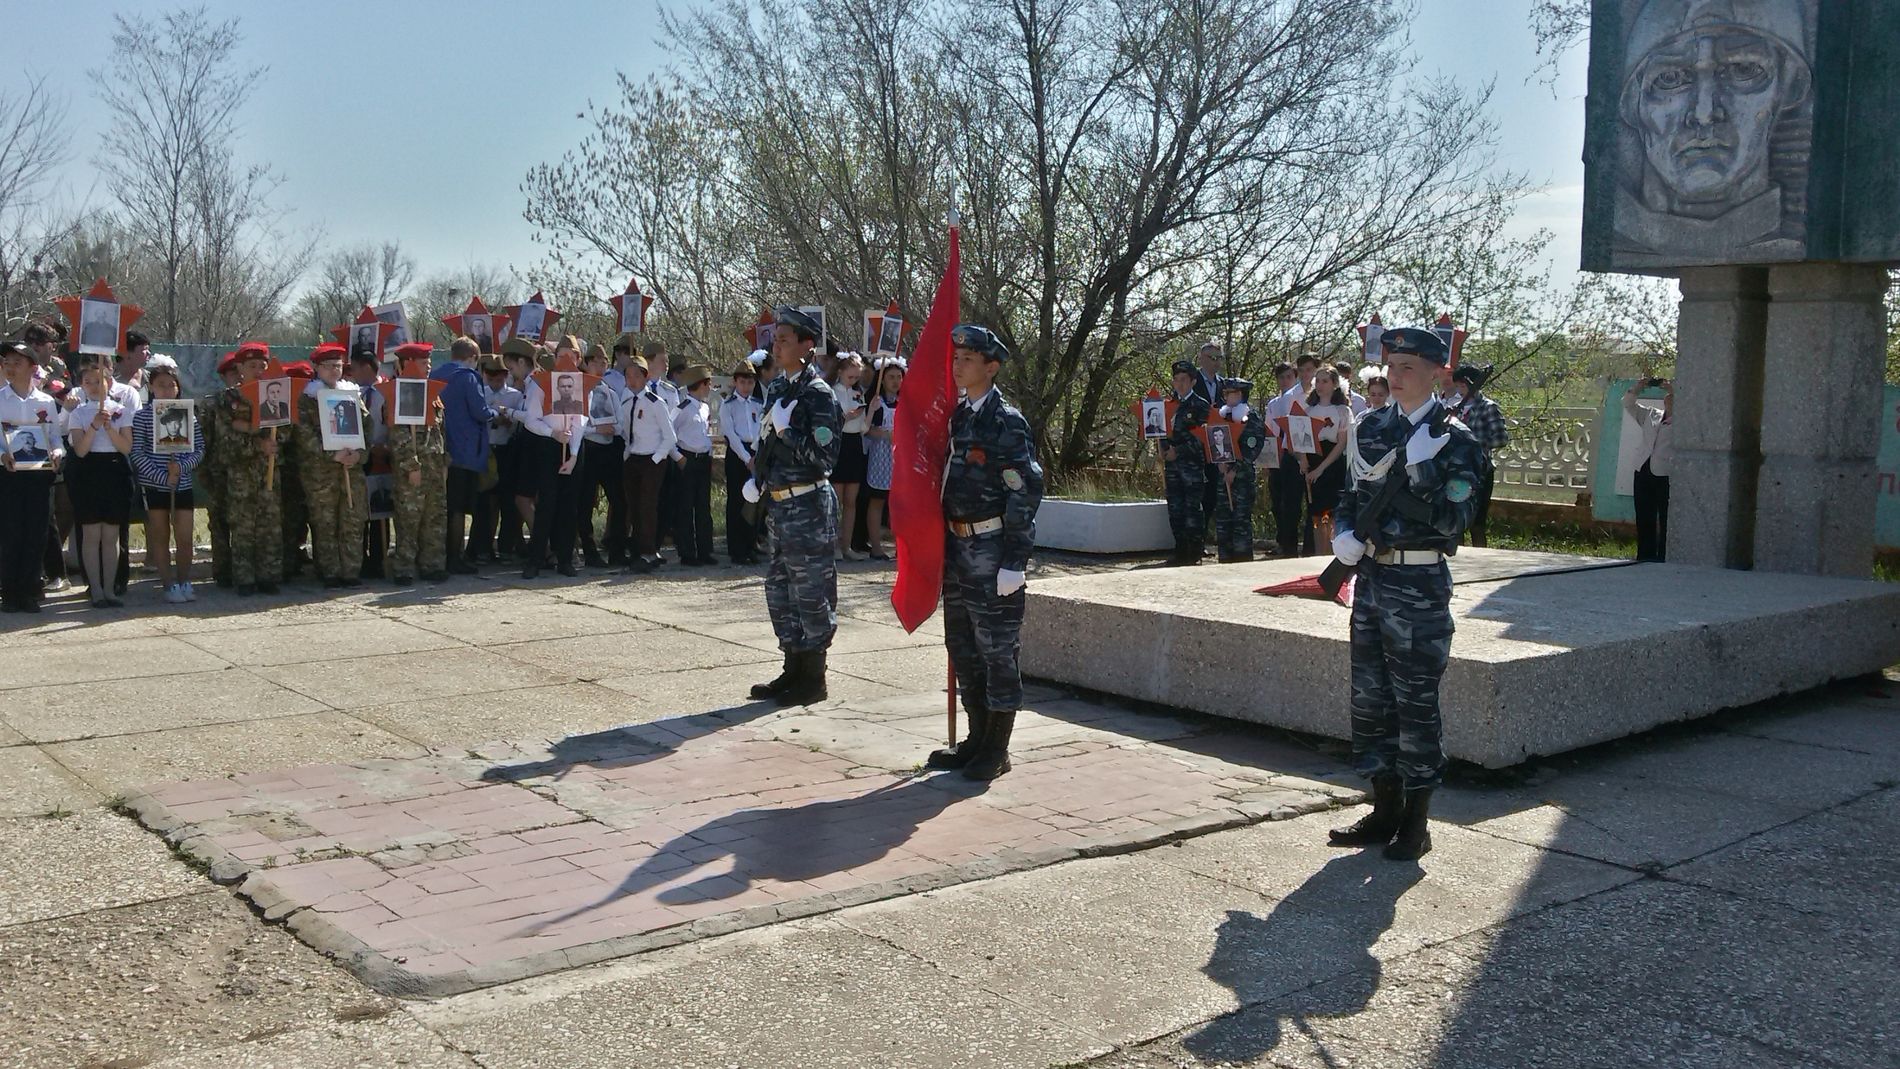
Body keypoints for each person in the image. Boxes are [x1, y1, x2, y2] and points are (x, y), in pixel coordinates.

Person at [1326, 326, 1488, 862]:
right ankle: (1383, 809)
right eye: (1391, 367)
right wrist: (1342, 534)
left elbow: (1452, 521)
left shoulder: (1457, 440)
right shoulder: (1371, 427)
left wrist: (1419, 468)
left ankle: (1417, 823)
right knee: (1369, 701)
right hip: (1371, 582)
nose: (1395, 378)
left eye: (1408, 369)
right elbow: (1351, 493)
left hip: (1418, 585)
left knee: (1415, 702)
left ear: (1439, 374)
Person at [923, 324, 1045, 781]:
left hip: (992, 549)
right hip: (959, 546)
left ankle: (998, 746)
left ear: (991, 368)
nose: (958, 366)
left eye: (968, 360)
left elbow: (1025, 490)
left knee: (997, 650)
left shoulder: (1005, 421)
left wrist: (1015, 559)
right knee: (964, 645)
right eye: (956, 359)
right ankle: (976, 739)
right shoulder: (962, 417)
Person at [744, 306, 842, 705]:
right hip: (782, 506)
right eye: (776, 338)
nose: (776, 345)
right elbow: (768, 443)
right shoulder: (780, 389)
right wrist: (759, 476)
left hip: (808, 504)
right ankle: (792, 666)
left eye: (785, 339)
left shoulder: (817, 394)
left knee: (811, 590)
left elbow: (825, 457)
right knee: (780, 589)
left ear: (806, 345)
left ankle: (813, 677)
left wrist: (788, 433)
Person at [292, 343, 369, 589]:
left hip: (350, 468)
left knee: (352, 519)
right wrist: (331, 456)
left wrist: (358, 454)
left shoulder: (351, 395)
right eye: (328, 366)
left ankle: (351, 570)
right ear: (317, 368)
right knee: (325, 522)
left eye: (338, 366)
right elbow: (304, 436)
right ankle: (329, 572)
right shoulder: (307, 399)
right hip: (321, 473)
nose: (334, 371)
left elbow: (366, 429)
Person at [130, 356, 201, 603]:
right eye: (161, 385)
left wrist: (180, 468)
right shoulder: (142, 417)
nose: (167, 389)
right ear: (151, 387)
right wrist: (161, 476)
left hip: (182, 485)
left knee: (184, 536)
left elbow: (198, 450)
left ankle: (184, 580)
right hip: (155, 486)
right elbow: (137, 453)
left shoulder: (188, 416)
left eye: (171, 385)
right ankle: (168, 584)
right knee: (159, 535)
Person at [65, 359, 135, 607]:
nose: (94, 386)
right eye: (88, 382)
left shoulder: (120, 411)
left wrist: (110, 428)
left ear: (108, 382)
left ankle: (109, 588)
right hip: (88, 472)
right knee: (91, 534)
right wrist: (94, 426)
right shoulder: (78, 414)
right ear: (81, 385)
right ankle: (94, 588)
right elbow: (80, 451)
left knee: (111, 534)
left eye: (98, 381)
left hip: (115, 471)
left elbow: (126, 447)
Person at [0, 340, 62, 613]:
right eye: (7, 363)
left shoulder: (46, 401)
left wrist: (59, 454)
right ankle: (9, 592)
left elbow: (56, 438)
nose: (10, 368)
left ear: (33, 368)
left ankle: (30, 589)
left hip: (39, 476)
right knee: (10, 532)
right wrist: (1, 455)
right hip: (8, 475)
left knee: (37, 533)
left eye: (17, 363)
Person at [219, 342, 284, 594]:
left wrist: (247, 429)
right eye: (252, 366)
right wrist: (258, 443)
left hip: (268, 471)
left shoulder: (275, 396)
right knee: (243, 526)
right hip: (241, 473)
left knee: (270, 524)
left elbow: (284, 433)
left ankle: (269, 576)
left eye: (262, 366)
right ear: (240, 368)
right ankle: (244, 578)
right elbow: (226, 441)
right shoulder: (229, 399)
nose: (258, 371)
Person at [521, 340, 588, 578]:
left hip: (572, 449)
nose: (567, 360)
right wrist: (553, 433)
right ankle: (536, 559)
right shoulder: (542, 384)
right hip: (549, 446)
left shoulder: (581, 385)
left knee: (569, 508)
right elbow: (531, 420)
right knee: (546, 506)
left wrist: (573, 454)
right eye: (562, 355)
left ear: (579, 359)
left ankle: (566, 559)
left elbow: (581, 423)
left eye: (572, 355)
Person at [387, 344, 448, 584]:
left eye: (429, 362)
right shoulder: (398, 394)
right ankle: (404, 567)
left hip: (434, 465)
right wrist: (411, 465)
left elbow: (441, 432)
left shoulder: (433, 394)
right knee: (409, 519)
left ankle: (432, 564)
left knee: (434, 518)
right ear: (408, 363)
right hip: (413, 467)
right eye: (423, 362)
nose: (429, 366)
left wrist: (444, 462)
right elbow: (398, 434)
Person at [431, 337, 491, 575]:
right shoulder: (467, 377)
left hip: (440, 448)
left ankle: (439, 555)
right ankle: (455, 558)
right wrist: (498, 411)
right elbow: (480, 411)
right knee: (459, 508)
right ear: (473, 358)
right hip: (466, 450)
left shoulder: (434, 376)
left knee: (445, 505)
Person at [618, 352, 678, 573]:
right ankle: (637, 549)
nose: (631, 379)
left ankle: (648, 551)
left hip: (652, 459)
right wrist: (626, 454)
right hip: (633, 458)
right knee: (633, 506)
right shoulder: (625, 402)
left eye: (636, 375)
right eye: (628, 375)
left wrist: (656, 458)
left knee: (647, 506)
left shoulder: (656, 402)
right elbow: (625, 433)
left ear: (645, 377)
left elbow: (670, 436)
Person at [1445, 363, 1508, 548]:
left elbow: (1501, 438)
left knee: (1477, 522)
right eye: (1457, 385)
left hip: (1480, 469)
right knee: (1457, 518)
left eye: (1463, 385)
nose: (1460, 389)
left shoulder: (1488, 407)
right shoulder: (1455, 408)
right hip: (1457, 470)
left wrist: (1472, 443)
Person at [577, 345, 625, 569]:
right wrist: (597, 429)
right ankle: (589, 552)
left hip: (608, 450)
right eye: (595, 361)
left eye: (604, 361)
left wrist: (613, 429)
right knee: (585, 501)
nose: (600, 365)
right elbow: (576, 425)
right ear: (585, 363)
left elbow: (621, 423)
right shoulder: (578, 390)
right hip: (588, 447)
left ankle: (617, 550)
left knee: (619, 500)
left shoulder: (610, 391)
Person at [1267, 355, 1320, 555]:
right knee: (1290, 504)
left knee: (1314, 503)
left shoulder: (1324, 393)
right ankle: (1288, 548)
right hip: (1293, 453)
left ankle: (1310, 548)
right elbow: (1287, 426)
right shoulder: (1290, 396)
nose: (1307, 374)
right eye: (1303, 370)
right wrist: (1298, 454)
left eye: (1310, 369)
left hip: (1316, 455)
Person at [1161, 359, 1210, 565]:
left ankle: (1194, 552)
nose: (1179, 384)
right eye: (1176, 380)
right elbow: (1159, 430)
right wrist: (1163, 449)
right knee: (1175, 509)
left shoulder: (1200, 405)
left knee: (1192, 509)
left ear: (1192, 382)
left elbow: (1204, 439)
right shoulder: (1167, 406)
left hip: (1191, 466)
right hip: (1172, 467)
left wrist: (1178, 451)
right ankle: (1180, 551)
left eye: (1184, 380)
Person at [1213, 378, 1267, 563]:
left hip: (1241, 478)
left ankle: (1242, 560)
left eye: (1230, 393)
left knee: (1240, 521)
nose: (1226, 396)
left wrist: (1235, 470)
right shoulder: (1221, 417)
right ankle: (1225, 559)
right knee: (1223, 520)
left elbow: (1252, 448)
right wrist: (1219, 463)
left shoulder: (1250, 418)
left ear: (1241, 394)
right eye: (1225, 393)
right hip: (1223, 475)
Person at [670, 364, 717, 566]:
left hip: (703, 459)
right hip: (687, 458)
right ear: (701, 384)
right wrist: (678, 457)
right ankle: (687, 552)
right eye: (708, 384)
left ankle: (705, 550)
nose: (710, 388)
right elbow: (669, 433)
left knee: (703, 507)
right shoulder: (681, 409)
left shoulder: (705, 407)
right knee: (686, 507)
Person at [1623, 377, 1673, 561]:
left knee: (1666, 517)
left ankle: (1664, 555)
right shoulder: (1652, 414)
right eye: (1667, 396)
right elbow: (1628, 404)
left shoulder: (1684, 423)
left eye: (1672, 397)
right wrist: (1638, 387)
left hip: (1665, 473)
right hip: (1643, 468)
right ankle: (1645, 554)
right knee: (1644, 514)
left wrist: (1675, 389)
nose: (1668, 398)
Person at [1302, 366, 1353, 544]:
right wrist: (1304, 462)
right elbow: (1301, 440)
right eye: (1318, 381)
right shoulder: (1308, 411)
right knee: (1316, 513)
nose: (1320, 385)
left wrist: (1321, 469)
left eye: (1325, 381)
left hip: (1333, 463)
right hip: (1313, 460)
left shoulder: (1342, 411)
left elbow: (1341, 443)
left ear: (1334, 384)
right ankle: (1317, 550)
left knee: (1331, 512)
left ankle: (1331, 551)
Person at [721, 360, 764, 565]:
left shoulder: (758, 405)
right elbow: (730, 433)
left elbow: (762, 430)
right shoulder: (727, 405)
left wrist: (755, 453)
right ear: (735, 382)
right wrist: (746, 458)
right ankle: (736, 549)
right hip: (737, 454)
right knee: (736, 501)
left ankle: (750, 545)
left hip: (754, 452)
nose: (746, 386)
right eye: (742, 382)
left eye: (750, 382)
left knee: (753, 501)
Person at [863, 356, 904, 560]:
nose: (896, 381)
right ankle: (876, 547)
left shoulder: (905, 402)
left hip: (901, 455)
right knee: (878, 500)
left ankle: (900, 545)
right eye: (891, 377)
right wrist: (886, 435)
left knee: (899, 503)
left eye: (899, 377)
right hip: (880, 455)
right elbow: (867, 430)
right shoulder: (876, 403)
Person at [829, 352, 869, 561]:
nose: (853, 381)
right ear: (840, 372)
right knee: (836, 499)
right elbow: (830, 424)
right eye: (850, 377)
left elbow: (863, 427)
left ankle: (847, 546)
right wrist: (846, 417)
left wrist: (869, 412)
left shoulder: (858, 393)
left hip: (855, 443)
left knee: (851, 500)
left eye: (856, 378)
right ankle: (834, 545)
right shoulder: (832, 393)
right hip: (839, 443)